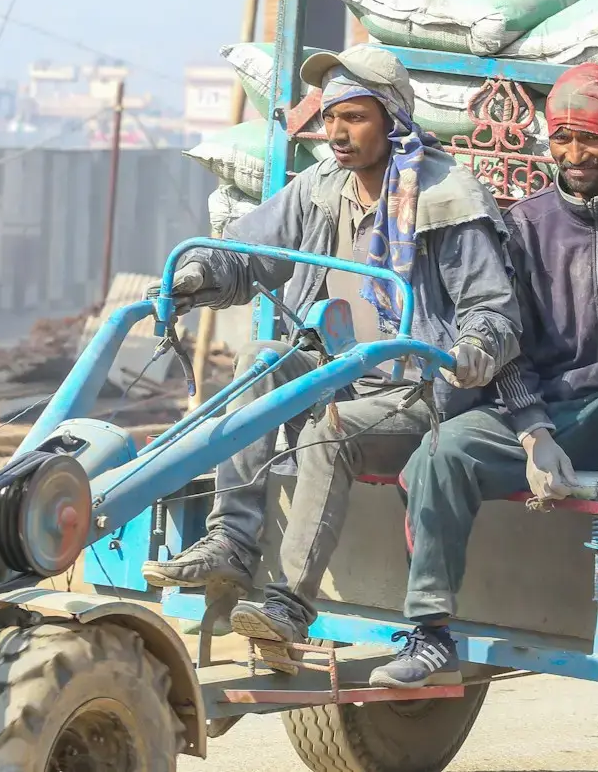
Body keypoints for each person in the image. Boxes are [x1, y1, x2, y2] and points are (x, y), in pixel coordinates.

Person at [142, 45, 523, 660]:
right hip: (340, 371)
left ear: (393, 119)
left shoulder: (448, 198)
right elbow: (248, 251)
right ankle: (231, 543)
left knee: (333, 426)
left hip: (419, 395)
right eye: (330, 117)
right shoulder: (321, 187)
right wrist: (198, 273)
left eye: (355, 117)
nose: (337, 133)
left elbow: (493, 309)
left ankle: (290, 604)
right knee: (263, 360)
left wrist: (477, 346)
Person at [376, 64, 598, 689]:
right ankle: (430, 633)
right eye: (564, 139)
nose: (575, 154)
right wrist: (531, 431)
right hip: (550, 412)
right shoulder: (525, 224)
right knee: (441, 451)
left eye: (591, 139)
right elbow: (504, 338)